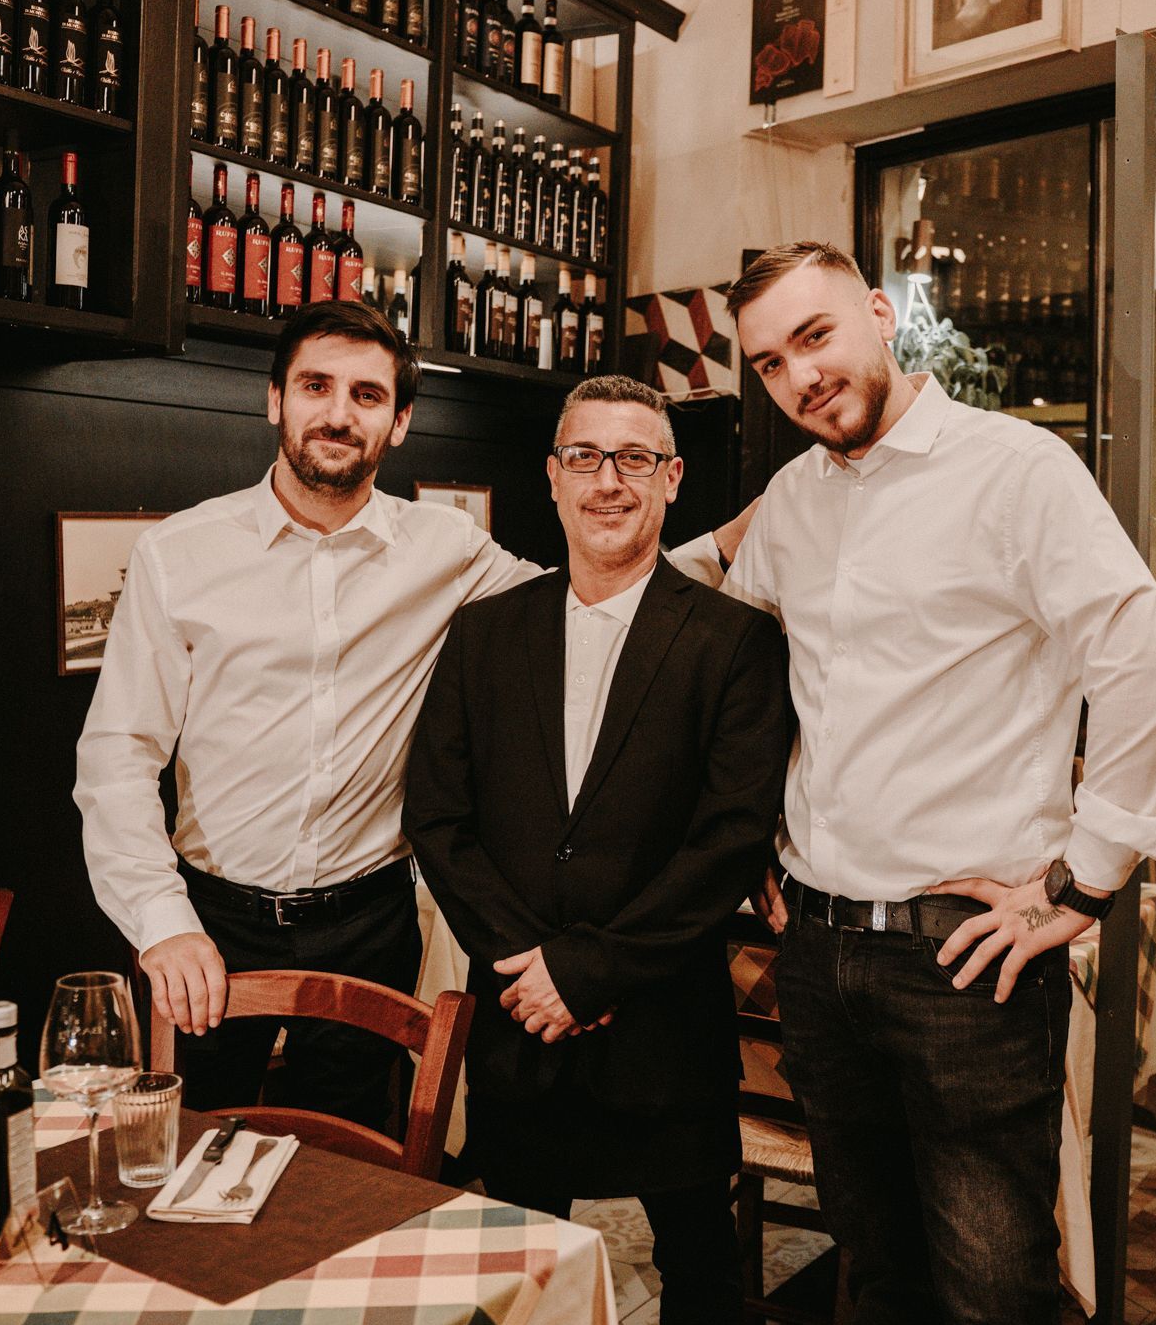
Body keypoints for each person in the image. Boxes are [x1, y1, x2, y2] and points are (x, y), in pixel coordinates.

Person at [720, 244, 1156, 1325]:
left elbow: (1144, 663)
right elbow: (730, 643)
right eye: (768, 361)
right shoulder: (794, 505)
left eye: (816, 336)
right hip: (818, 948)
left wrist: (1087, 877)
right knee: (884, 1277)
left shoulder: (1013, 472)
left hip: (964, 963)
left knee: (996, 1306)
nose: (801, 375)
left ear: (879, 313)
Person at [74, 304, 744, 1130]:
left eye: (366, 394)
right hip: (209, 929)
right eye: (315, 386)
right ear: (274, 400)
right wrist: (162, 923)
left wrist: (741, 534)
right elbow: (117, 757)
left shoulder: (450, 549)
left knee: (354, 1168)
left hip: (370, 926)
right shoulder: (178, 554)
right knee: (186, 1166)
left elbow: (599, 592)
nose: (337, 412)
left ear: (399, 422)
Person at [403, 374, 790, 1325]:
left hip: (662, 1022)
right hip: (521, 1019)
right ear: (554, 477)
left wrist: (597, 970)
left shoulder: (733, 639)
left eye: (640, 458)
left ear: (676, 480)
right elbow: (439, 819)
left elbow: (730, 839)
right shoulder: (484, 633)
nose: (611, 479)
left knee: (696, 1264)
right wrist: (532, 969)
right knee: (517, 1260)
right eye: (587, 456)